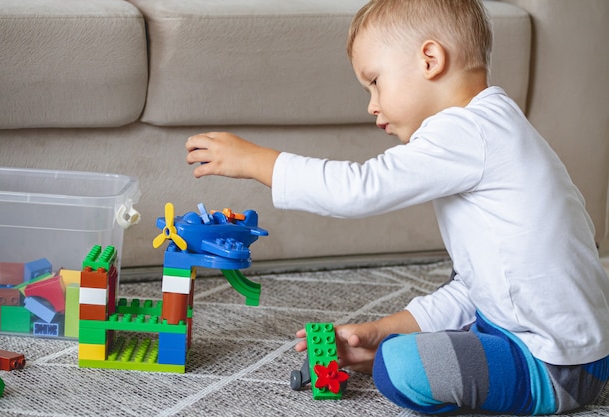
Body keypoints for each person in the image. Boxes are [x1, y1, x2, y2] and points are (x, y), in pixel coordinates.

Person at [185, 0, 609, 413]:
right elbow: (474, 288)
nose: (371, 104)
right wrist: (381, 329)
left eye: (375, 80)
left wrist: (257, 161)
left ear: (429, 60)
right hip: (559, 340)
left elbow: (359, 189)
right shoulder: (493, 125)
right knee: (409, 339)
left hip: (554, 362)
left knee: (399, 367)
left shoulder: (467, 129)